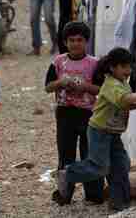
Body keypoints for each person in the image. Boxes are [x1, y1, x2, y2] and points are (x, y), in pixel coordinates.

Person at [56, 47, 136, 212]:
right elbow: (124, 98)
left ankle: (120, 204)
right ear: (112, 67)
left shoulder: (123, 84)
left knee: (121, 165)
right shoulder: (111, 84)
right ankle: (68, 173)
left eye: (129, 67)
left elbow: (123, 105)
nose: (128, 71)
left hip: (113, 133)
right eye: (124, 67)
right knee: (99, 166)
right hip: (99, 132)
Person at [45, 21, 105, 206]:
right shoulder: (58, 62)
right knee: (65, 153)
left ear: (86, 41)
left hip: (89, 114)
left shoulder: (95, 64)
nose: (75, 44)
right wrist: (61, 83)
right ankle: (65, 193)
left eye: (79, 40)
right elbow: (48, 87)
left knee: (91, 154)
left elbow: (102, 89)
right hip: (65, 113)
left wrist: (84, 86)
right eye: (71, 40)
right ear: (65, 42)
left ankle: (94, 194)